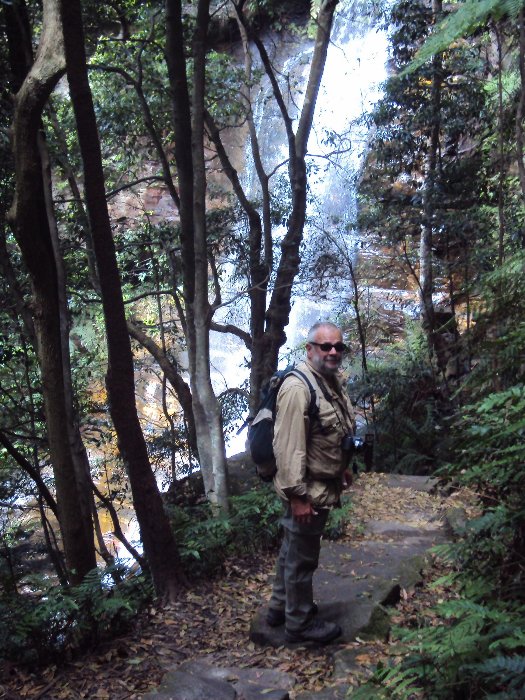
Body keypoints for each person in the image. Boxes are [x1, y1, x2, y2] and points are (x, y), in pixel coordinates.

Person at [266, 321, 356, 644]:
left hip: (319, 483)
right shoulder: (298, 388)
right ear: (309, 349)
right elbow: (289, 447)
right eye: (325, 346)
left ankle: (280, 608)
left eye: (338, 346)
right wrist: (297, 496)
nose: (333, 352)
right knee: (302, 559)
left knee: (292, 549)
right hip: (306, 490)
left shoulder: (328, 381)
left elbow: (328, 433)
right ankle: (299, 623)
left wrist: (341, 467)